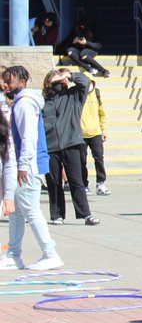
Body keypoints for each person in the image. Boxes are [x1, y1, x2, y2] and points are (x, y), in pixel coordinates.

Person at [0, 66, 60, 271]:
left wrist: (23, 166)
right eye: (4, 81)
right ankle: (13, 255)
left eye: (9, 81)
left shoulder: (25, 103)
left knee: (31, 210)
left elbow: (28, 138)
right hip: (25, 165)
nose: (6, 85)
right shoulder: (20, 103)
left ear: (22, 81)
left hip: (29, 166)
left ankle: (50, 253)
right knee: (17, 212)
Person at [42, 69, 98, 227]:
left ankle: (85, 214)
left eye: (61, 81)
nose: (58, 84)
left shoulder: (73, 96)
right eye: (55, 82)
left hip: (71, 143)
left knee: (76, 180)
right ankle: (57, 214)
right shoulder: (43, 101)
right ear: (48, 84)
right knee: (53, 181)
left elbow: (85, 82)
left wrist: (69, 75)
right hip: (50, 146)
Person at [80, 79, 110, 197]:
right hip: (81, 133)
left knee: (99, 158)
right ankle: (84, 185)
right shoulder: (78, 94)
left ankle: (100, 183)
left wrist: (103, 130)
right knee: (81, 160)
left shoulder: (96, 94)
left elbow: (102, 113)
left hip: (96, 132)